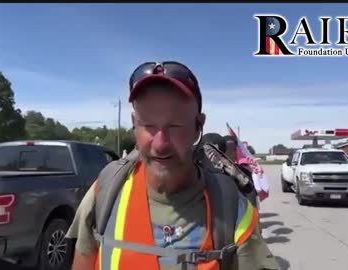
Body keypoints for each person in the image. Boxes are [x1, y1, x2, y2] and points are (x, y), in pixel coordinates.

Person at [66, 61, 279, 270]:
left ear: (199, 126)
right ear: (134, 123)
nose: (160, 144)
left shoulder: (233, 210)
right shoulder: (105, 190)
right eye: (148, 125)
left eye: (175, 126)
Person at [223, 135, 259, 209]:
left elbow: (251, 198)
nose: (231, 153)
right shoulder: (211, 173)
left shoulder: (244, 172)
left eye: (233, 150)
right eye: (227, 149)